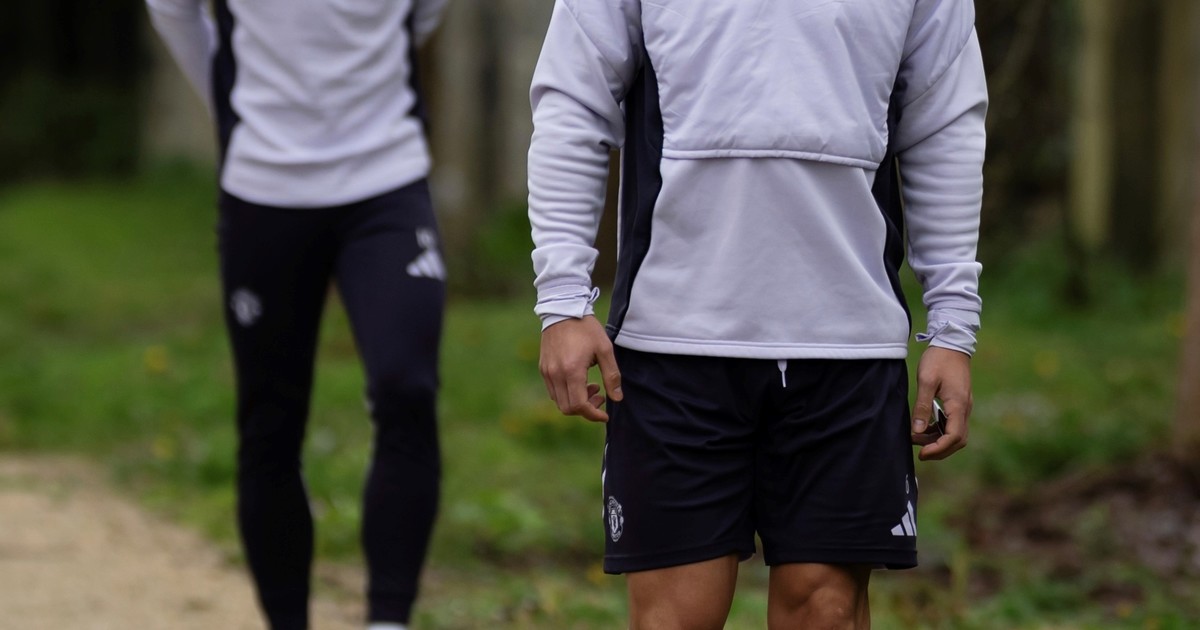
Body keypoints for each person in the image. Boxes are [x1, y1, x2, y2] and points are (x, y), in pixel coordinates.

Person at [528, 0, 986, 627]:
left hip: (850, 344)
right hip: (672, 338)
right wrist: (562, 298)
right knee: (675, 619)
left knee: (826, 612)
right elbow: (573, 98)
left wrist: (953, 326)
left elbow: (945, 123)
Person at [146, 0, 448, 628]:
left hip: (386, 177)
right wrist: (232, 107)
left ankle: (388, 618)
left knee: (406, 388)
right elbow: (171, 8)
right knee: (271, 421)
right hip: (264, 187)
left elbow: (422, 16)